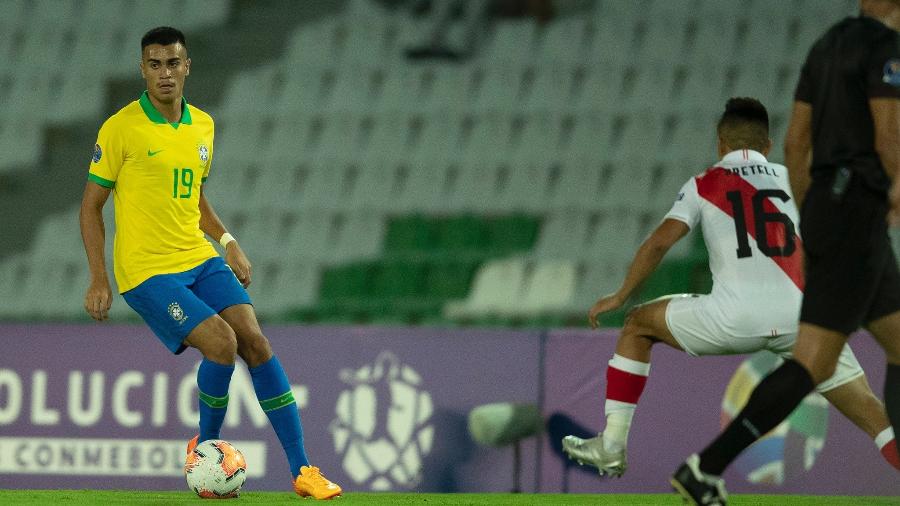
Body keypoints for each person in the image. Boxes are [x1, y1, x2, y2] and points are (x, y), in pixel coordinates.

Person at [561, 98, 899, 485]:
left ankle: (613, 445)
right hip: (803, 322)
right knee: (874, 414)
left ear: (720, 143)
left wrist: (621, 295)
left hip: (731, 319)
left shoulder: (703, 184)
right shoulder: (795, 178)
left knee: (638, 324)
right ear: (768, 146)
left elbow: (658, 243)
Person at [79, 27, 341, 500]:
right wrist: (99, 277)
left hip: (197, 256)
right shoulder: (120, 129)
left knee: (255, 343)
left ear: (187, 66)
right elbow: (90, 206)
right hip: (147, 270)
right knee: (221, 343)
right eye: (154, 64)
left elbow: (193, 195)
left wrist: (227, 239)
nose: (164, 73)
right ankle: (206, 451)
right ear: (142, 69)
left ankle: (304, 471)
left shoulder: (202, 125)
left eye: (173, 63)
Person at [672, 1, 900, 504]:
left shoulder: (825, 48)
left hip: (835, 213)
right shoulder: (886, 50)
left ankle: (703, 470)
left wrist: (814, 214)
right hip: (860, 217)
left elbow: (796, 144)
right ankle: (705, 466)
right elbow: (888, 137)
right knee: (812, 366)